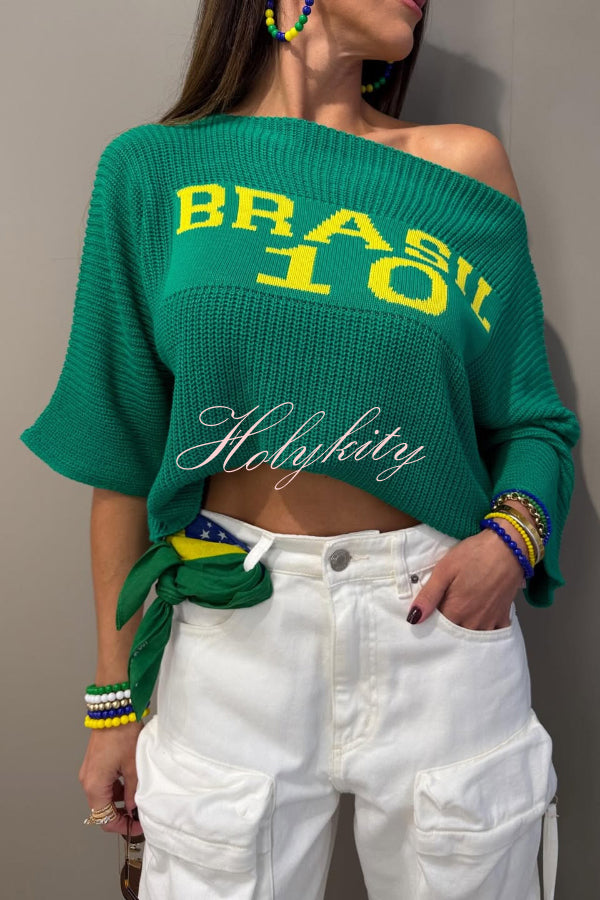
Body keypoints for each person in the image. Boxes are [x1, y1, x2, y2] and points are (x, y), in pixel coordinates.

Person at [19, 0, 580, 897]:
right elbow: (122, 451)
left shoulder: (462, 165)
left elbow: (532, 423)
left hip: (434, 622)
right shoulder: (151, 170)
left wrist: (510, 543)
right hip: (234, 627)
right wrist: (112, 704)